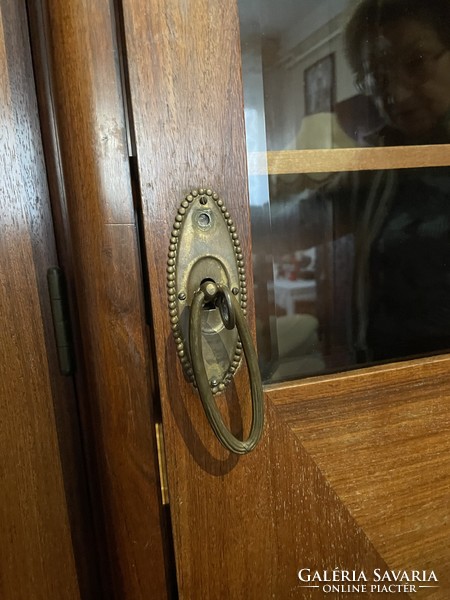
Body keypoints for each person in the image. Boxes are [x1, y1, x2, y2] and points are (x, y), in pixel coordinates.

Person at [274, 0, 450, 364]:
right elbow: (298, 222)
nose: (396, 94)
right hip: (382, 372)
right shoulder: (378, 162)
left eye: (415, 62)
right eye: (378, 77)